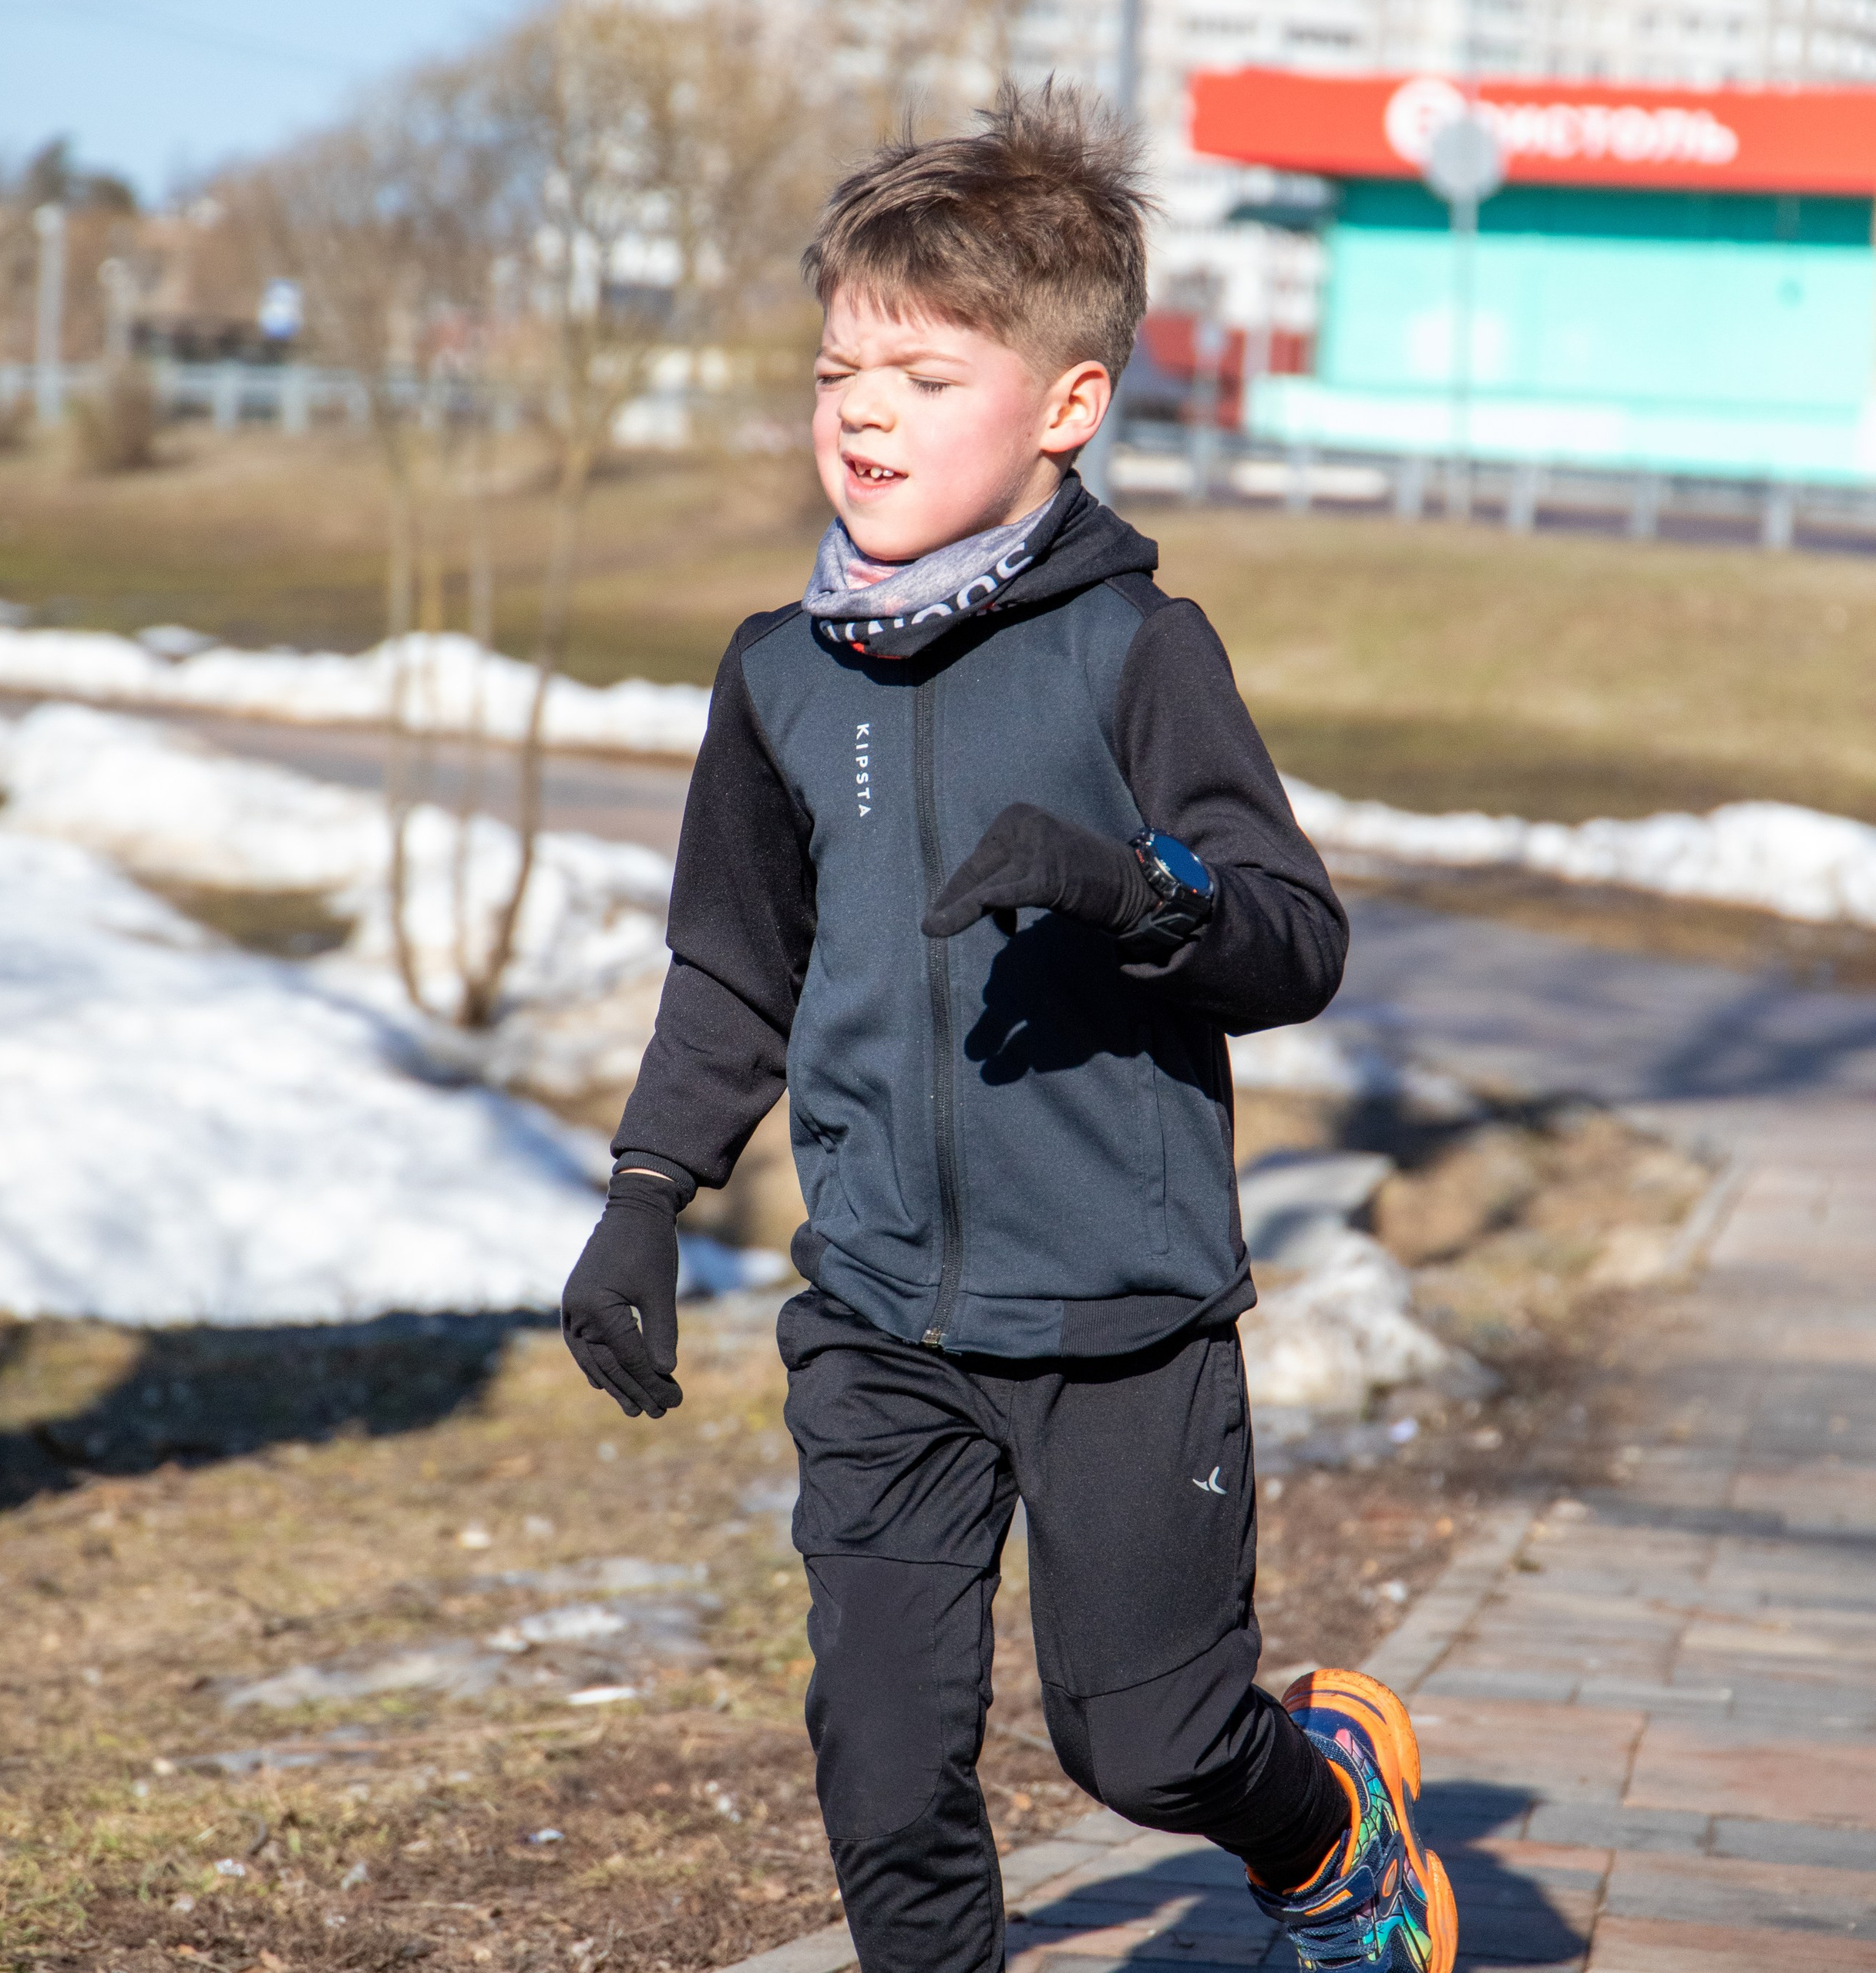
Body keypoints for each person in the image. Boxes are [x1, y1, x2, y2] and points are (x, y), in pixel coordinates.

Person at [560, 81, 1456, 1973]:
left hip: (1117, 1321)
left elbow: (1292, 940)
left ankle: (1328, 1815)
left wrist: (1139, 890)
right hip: (876, 1314)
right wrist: (643, 1192)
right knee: (880, 1774)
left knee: (1145, 1740)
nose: (859, 411)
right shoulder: (778, 674)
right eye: (834, 371)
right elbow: (735, 962)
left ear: (1063, 405)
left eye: (919, 373)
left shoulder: (1136, 650)